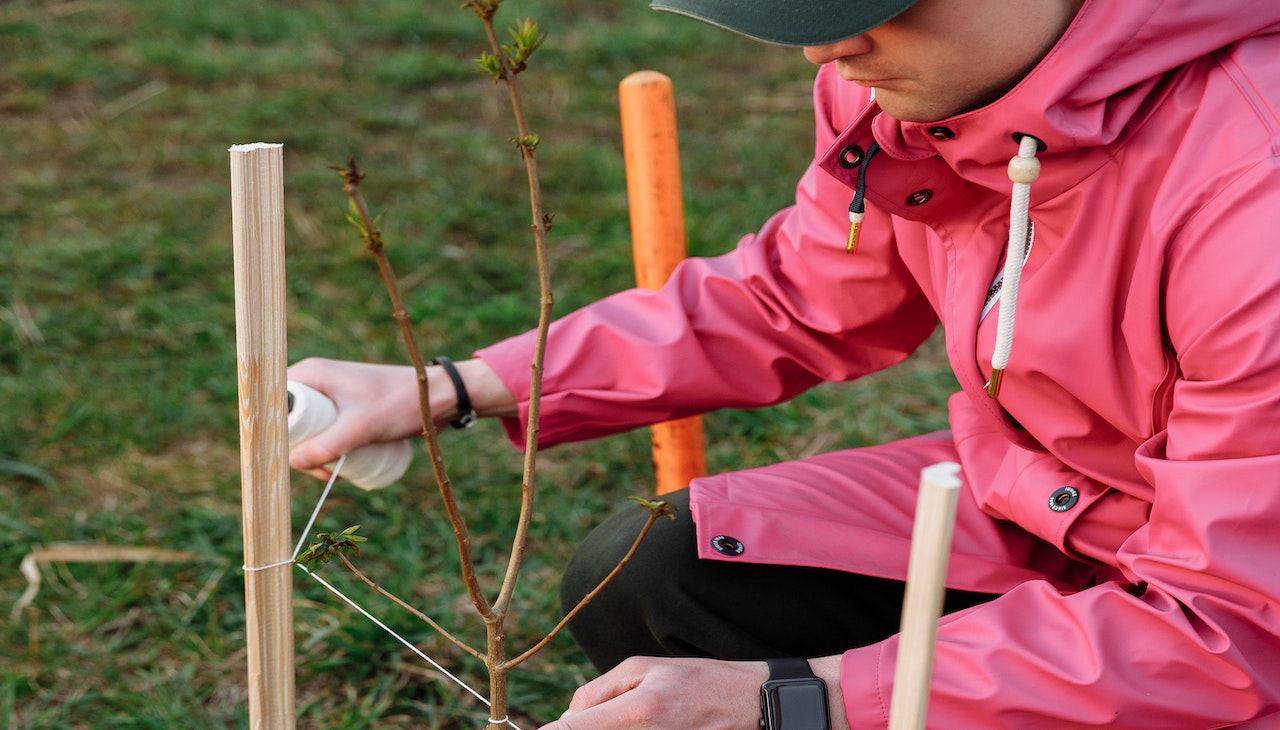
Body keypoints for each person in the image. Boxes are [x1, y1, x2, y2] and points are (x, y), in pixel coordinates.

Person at [287, 0, 1280, 726]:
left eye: (877, 3)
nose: (826, 44)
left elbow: (1239, 632)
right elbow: (793, 294)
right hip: (1044, 506)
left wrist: (804, 699)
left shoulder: (1251, 188)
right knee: (655, 575)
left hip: (1226, 614)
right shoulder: (917, 88)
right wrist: (459, 385)